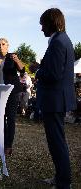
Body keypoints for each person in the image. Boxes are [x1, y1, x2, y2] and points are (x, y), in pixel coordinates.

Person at [36, 8, 76, 189]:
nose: (41, 28)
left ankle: (63, 182)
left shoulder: (58, 42)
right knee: (56, 140)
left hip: (54, 100)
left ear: (51, 22)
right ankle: (60, 176)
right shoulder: (63, 40)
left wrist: (38, 71)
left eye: (42, 24)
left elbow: (53, 74)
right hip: (56, 99)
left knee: (57, 142)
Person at [0, 38, 25, 155]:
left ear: (7, 46)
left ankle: (8, 145)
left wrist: (18, 61)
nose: (1, 46)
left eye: (3, 44)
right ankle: (2, 142)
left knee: (11, 118)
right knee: (1, 118)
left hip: (13, 91)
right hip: (0, 91)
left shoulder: (12, 56)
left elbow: (22, 71)